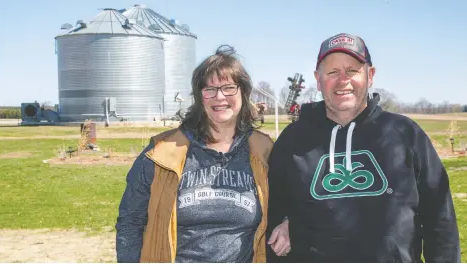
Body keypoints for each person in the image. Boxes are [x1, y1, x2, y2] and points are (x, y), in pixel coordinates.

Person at [266, 33, 460, 262]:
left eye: (352, 70)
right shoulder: (293, 140)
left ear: (370, 75)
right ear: (318, 80)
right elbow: (274, 214)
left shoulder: (404, 134)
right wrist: (289, 221)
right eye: (332, 72)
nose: (343, 80)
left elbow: (440, 219)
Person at [115, 45, 274, 263]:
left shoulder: (264, 151)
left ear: (243, 92)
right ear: (200, 97)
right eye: (209, 89)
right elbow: (130, 222)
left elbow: (288, 206)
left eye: (229, 87)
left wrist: (286, 223)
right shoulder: (161, 153)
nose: (219, 97)